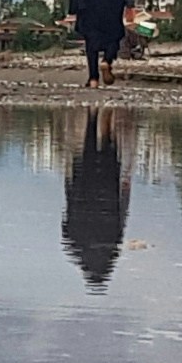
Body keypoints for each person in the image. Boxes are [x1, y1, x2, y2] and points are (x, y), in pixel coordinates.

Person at [60, 107, 128, 288]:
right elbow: (67, 220)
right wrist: (69, 186)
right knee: (89, 153)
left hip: (104, 191)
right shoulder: (75, 246)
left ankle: (102, 123)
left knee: (106, 153)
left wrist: (124, 192)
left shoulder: (111, 246)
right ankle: (93, 119)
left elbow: (121, 217)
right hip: (87, 191)